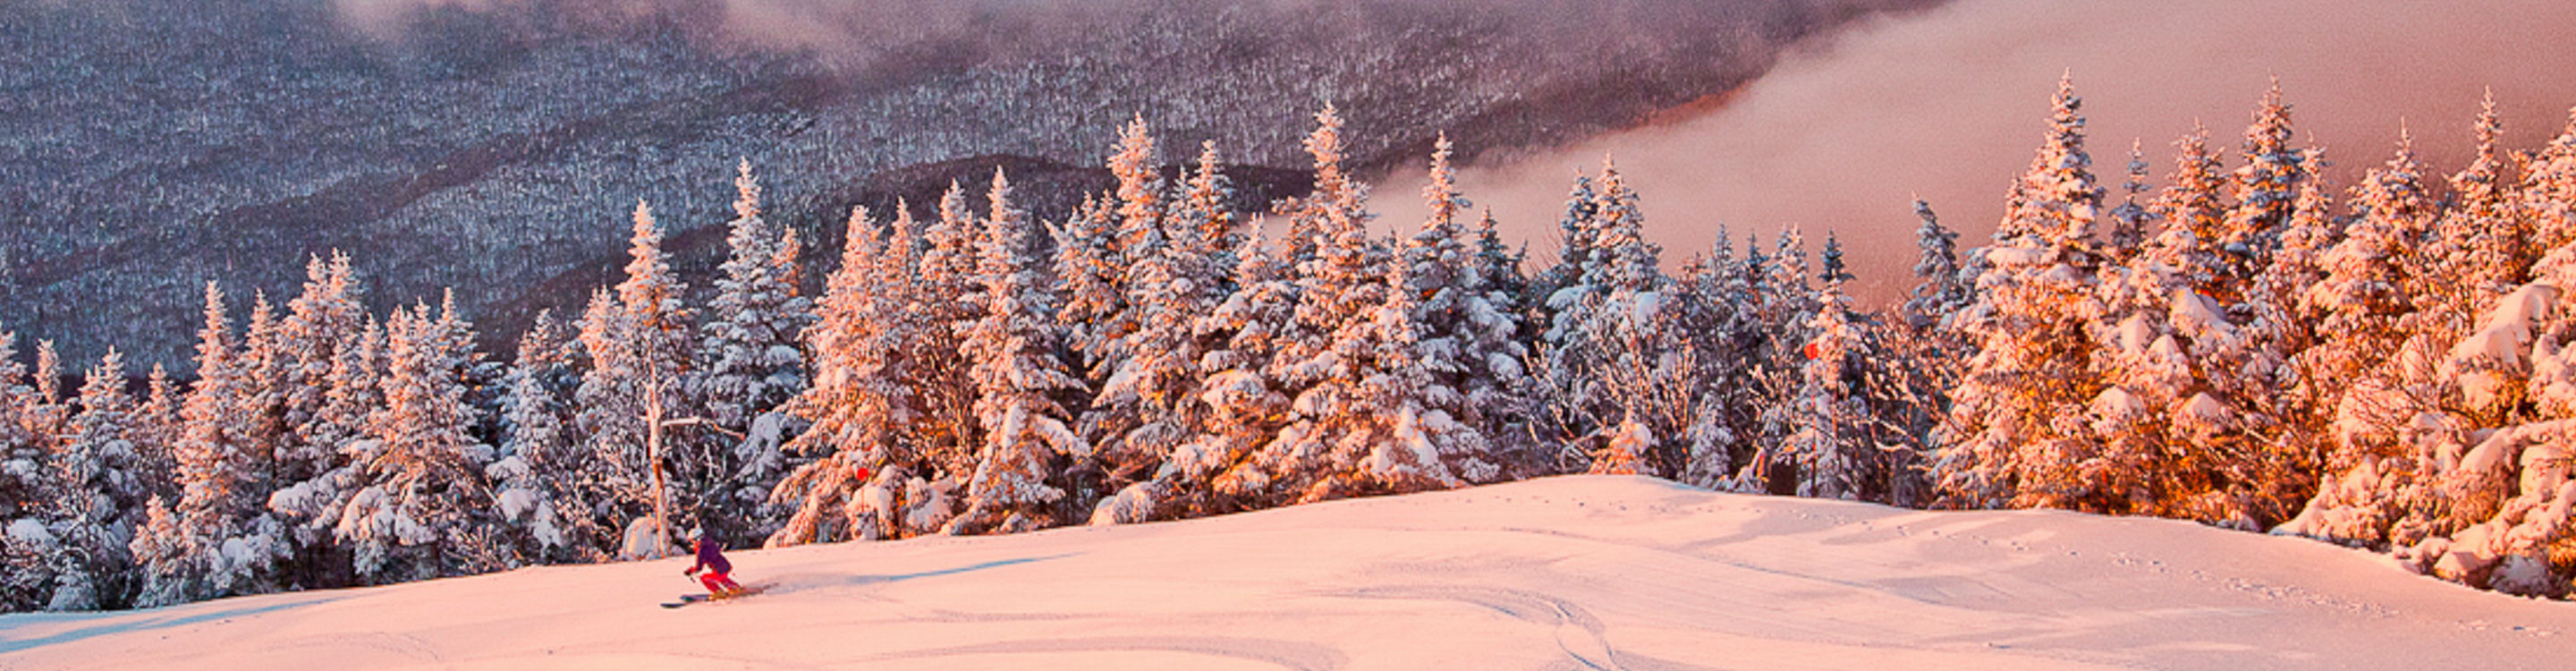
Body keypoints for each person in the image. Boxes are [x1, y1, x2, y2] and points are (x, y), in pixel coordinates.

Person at [682, 527, 746, 598]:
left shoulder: (701, 550)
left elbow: (699, 567)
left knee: (705, 578)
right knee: (722, 578)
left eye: (692, 541)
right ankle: (735, 588)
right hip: (725, 565)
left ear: (697, 539)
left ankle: (718, 592)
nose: (692, 543)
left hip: (718, 569)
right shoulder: (710, 542)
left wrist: (690, 571)